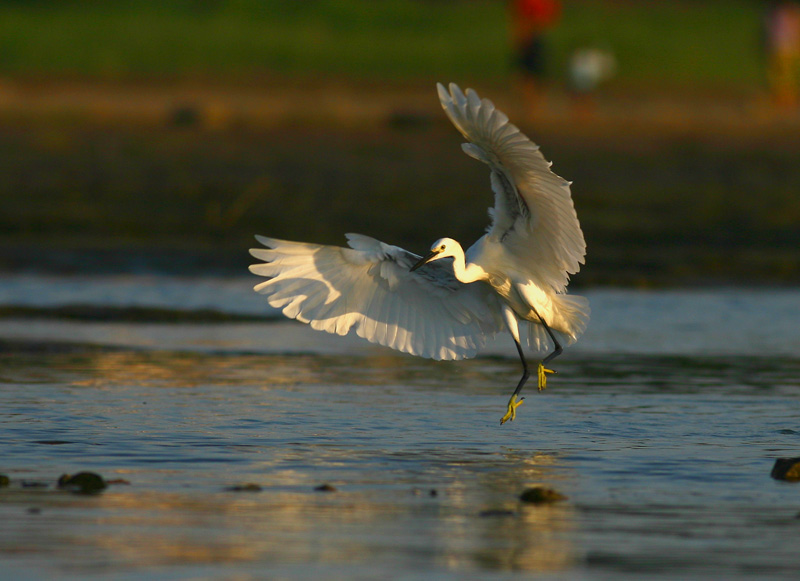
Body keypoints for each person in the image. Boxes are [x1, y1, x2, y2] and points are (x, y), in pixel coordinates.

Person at [509, 0, 562, 114]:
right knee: (528, 73)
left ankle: (534, 105)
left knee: (534, 73)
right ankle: (531, 105)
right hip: (530, 35)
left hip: (534, 34)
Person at [764, 1, 800, 109]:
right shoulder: (779, 14)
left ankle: (786, 97)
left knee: (785, 73)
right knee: (780, 72)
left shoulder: (786, 14)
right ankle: (783, 96)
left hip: (786, 47)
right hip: (781, 46)